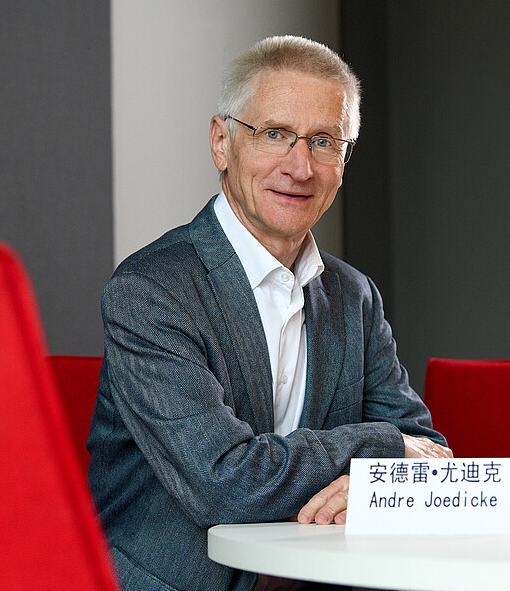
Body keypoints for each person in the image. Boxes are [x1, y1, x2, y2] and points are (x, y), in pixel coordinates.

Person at [86, 35, 452, 591]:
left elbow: (430, 458)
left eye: (325, 141)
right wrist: (377, 452)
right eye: (275, 135)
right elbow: (223, 486)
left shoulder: (353, 296)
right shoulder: (150, 290)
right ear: (221, 143)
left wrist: (378, 481)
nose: (300, 166)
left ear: (344, 161)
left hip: (324, 582)